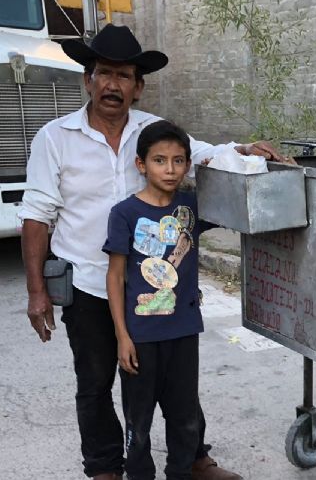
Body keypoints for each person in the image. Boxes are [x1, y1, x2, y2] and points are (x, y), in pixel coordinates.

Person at [20, 24, 286, 480]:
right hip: (88, 285)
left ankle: (195, 459)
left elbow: (202, 154)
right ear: (88, 79)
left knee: (175, 382)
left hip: (154, 290)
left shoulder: (153, 133)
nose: (112, 85)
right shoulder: (54, 138)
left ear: (138, 87)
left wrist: (244, 150)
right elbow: (36, 216)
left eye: (123, 76)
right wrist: (36, 292)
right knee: (95, 384)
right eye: (104, 73)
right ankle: (105, 467)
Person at [103, 120, 213, 480]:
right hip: (141, 337)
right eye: (160, 160)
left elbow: (240, 200)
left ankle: (180, 473)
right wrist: (122, 336)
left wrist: (248, 155)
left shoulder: (192, 208)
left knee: (184, 418)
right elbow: (116, 276)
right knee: (139, 420)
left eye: (179, 161)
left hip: (184, 332)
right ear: (141, 165)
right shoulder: (125, 213)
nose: (170, 169)